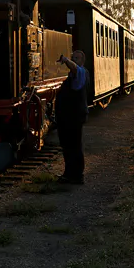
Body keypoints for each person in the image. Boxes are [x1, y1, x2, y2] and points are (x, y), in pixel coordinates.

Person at [55, 50, 90, 185]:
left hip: (74, 116)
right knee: (68, 146)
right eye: (73, 57)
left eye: (77, 58)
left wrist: (66, 60)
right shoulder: (72, 76)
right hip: (67, 117)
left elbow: (75, 68)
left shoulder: (81, 73)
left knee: (74, 145)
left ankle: (76, 175)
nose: (74, 60)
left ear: (82, 60)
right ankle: (69, 174)